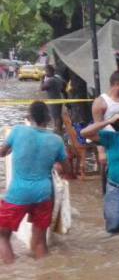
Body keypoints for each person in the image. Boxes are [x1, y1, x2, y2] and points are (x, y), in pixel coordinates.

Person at [0, 102, 67, 263]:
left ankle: (12, 274)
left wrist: (9, 149)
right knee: (40, 242)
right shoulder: (56, 140)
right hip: (43, 194)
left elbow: (2, 153)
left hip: (18, 193)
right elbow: (65, 169)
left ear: (29, 117)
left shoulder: (18, 131)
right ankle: (46, 275)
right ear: (48, 118)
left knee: (2, 236)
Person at [40, 65, 66, 134]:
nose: (45, 73)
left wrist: (42, 80)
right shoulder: (58, 78)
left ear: (49, 71)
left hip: (53, 100)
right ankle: (59, 129)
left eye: (46, 71)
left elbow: (42, 88)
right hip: (59, 98)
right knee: (58, 115)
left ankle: (57, 130)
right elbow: (64, 85)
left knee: (55, 116)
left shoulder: (50, 80)